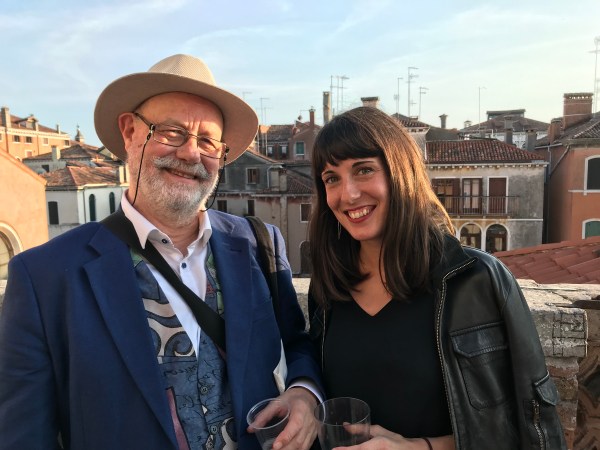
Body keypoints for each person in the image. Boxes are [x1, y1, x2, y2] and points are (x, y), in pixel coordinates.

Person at [0, 54, 323, 450]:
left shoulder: (259, 243)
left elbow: (297, 342)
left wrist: (305, 392)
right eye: (172, 132)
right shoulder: (45, 277)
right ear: (130, 132)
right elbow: (24, 435)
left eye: (207, 141)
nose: (191, 153)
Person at [307, 107, 566, 450]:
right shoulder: (329, 286)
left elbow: (529, 427)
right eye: (331, 178)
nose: (348, 194)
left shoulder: (477, 280)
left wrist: (419, 448)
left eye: (364, 170)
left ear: (401, 173)